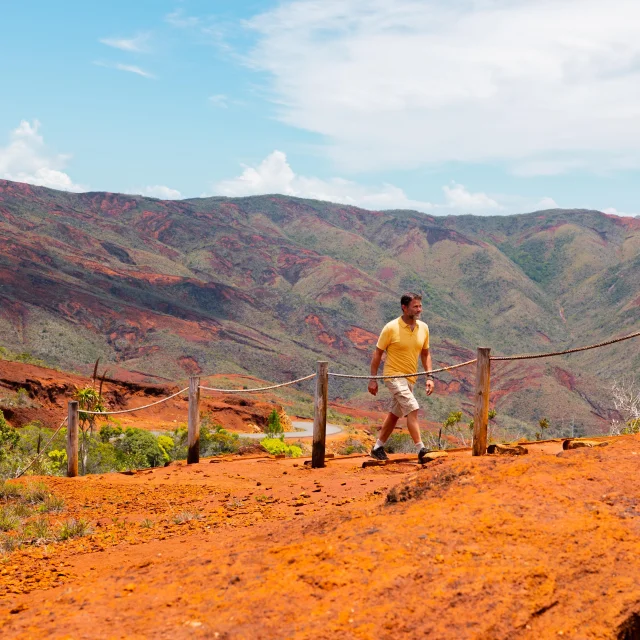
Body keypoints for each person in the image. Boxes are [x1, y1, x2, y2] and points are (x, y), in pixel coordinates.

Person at [368, 292, 434, 463]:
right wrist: (373, 379)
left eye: (420, 306)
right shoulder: (391, 327)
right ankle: (421, 449)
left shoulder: (424, 328)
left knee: (394, 414)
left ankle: (377, 448)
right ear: (404, 308)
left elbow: (425, 354)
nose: (419, 309)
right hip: (393, 376)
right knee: (412, 407)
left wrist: (430, 377)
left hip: (411, 379)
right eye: (415, 306)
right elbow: (377, 354)